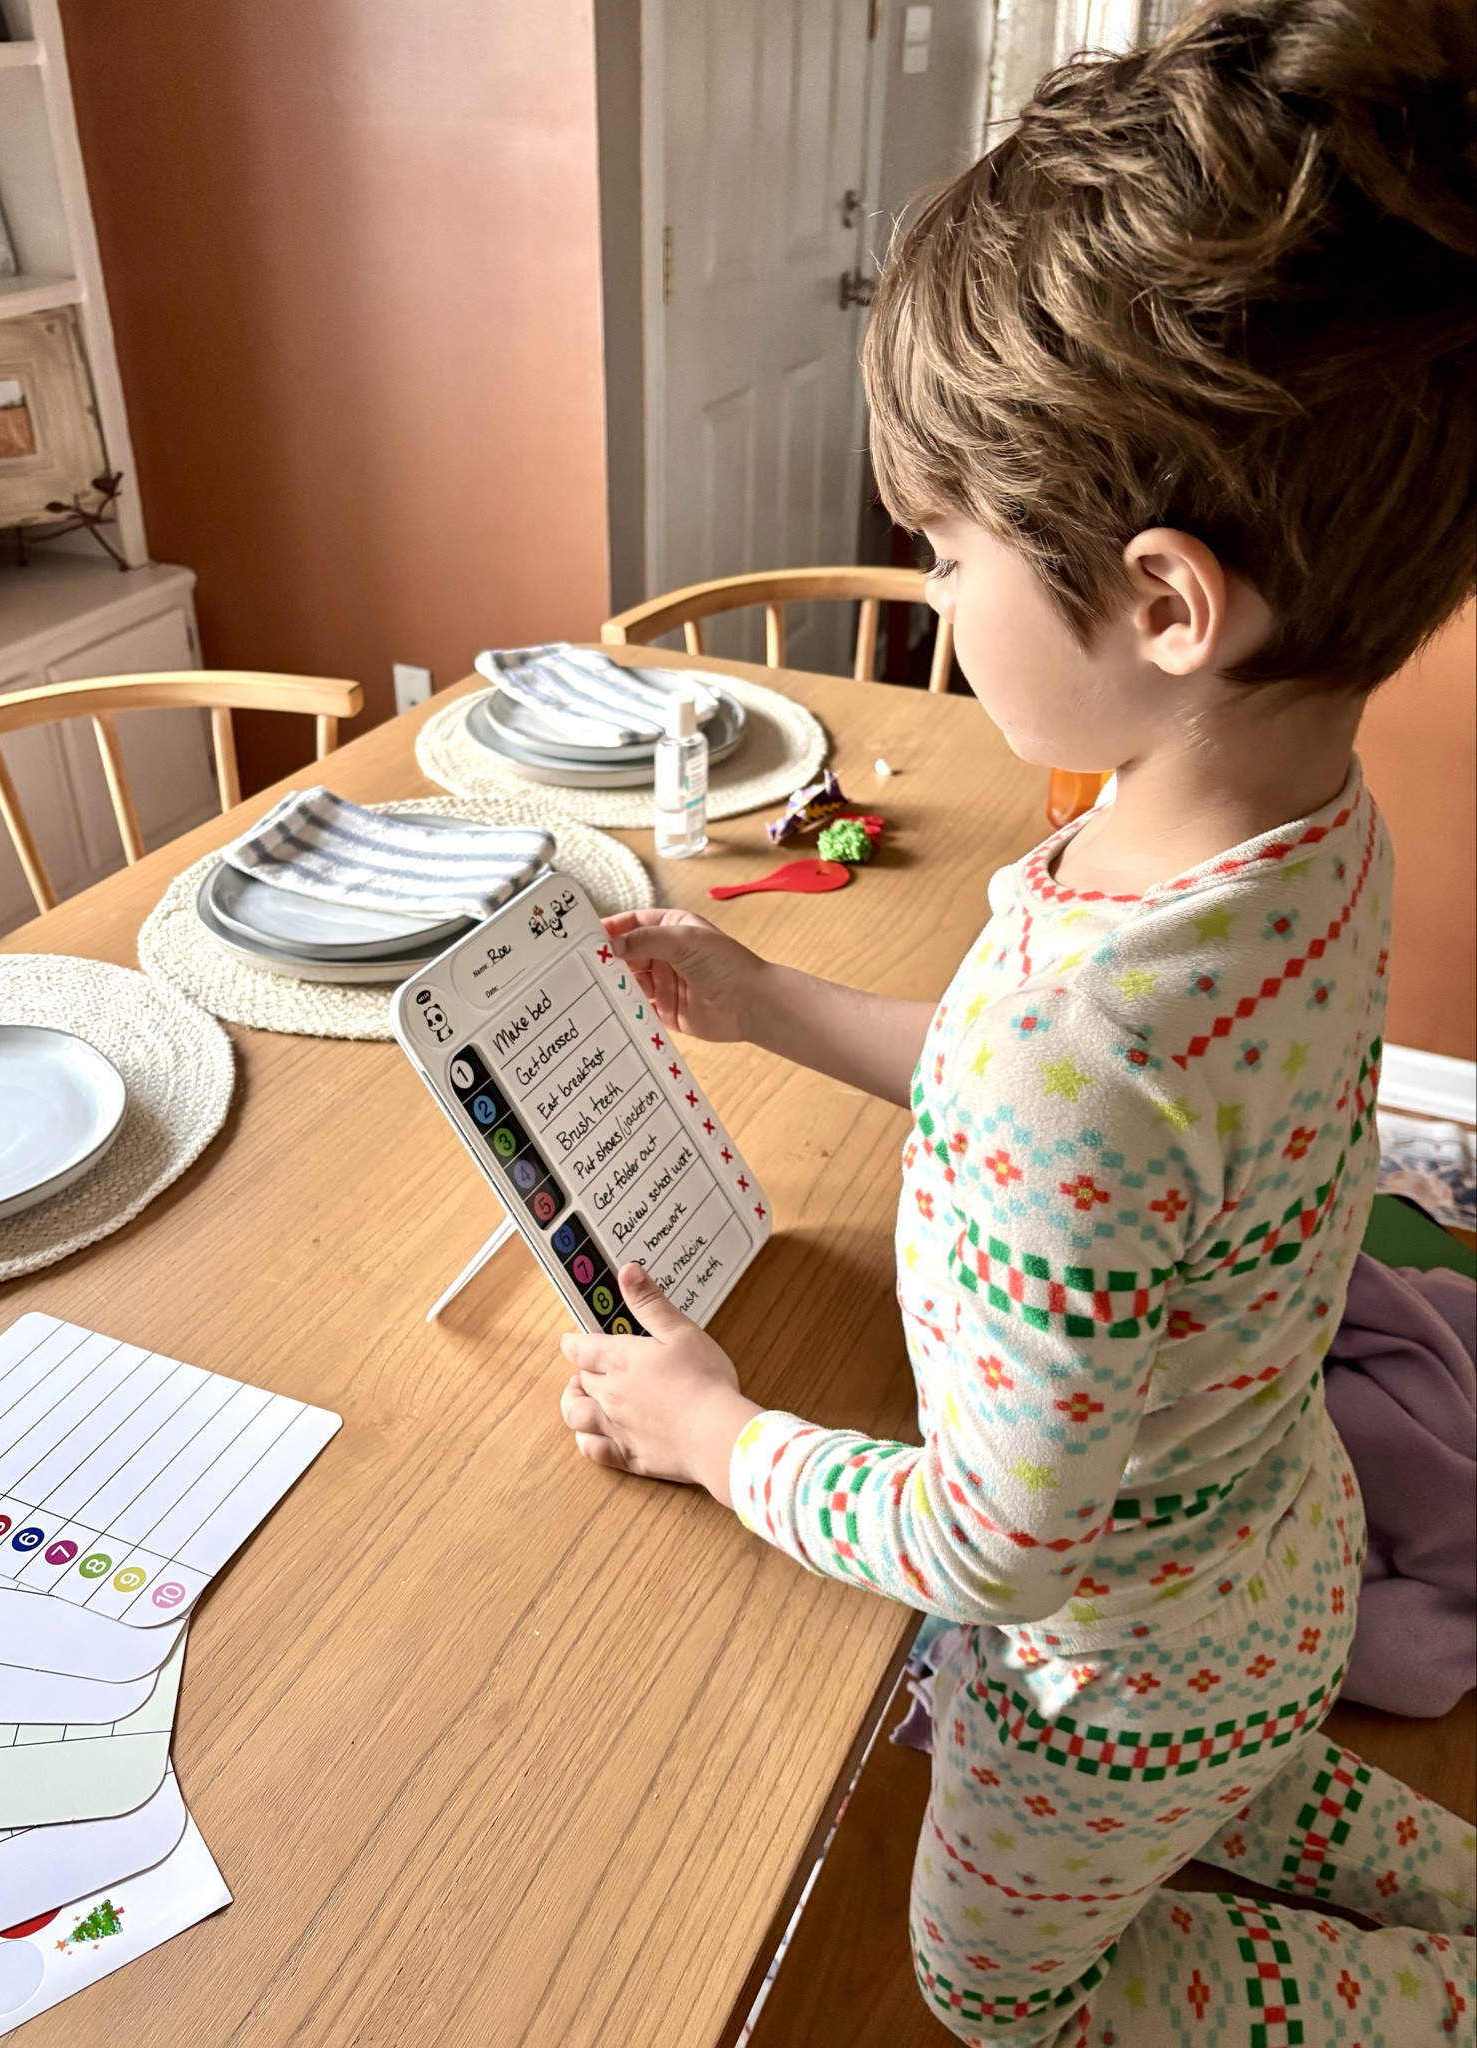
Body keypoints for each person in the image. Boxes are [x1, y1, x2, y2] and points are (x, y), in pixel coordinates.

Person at [558, 2, 1475, 2041]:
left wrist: (714, 1436)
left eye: (951, 547)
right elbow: (1028, 1116)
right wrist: (773, 996)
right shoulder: (1290, 833)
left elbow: (989, 1544)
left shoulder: (1103, 1034)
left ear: (1167, 605)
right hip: (1264, 1558)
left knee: (998, 1995)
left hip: (1114, 1664)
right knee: (1231, 1762)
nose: (934, 586)